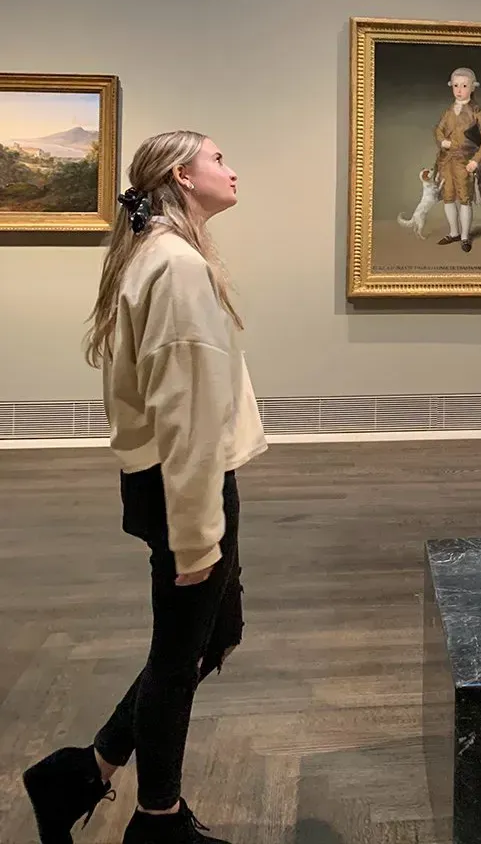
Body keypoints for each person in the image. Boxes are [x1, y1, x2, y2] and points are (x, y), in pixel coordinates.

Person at [21, 130, 268, 844]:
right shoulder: (176, 267)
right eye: (221, 158)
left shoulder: (164, 254)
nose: (232, 168)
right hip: (184, 484)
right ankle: (157, 821)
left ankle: (83, 771)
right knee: (179, 653)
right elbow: (186, 417)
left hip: (179, 479)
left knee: (215, 632)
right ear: (183, 175)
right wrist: (198, 538)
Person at [433, 66, 481, 252]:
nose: (459, 90)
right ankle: (454, 232)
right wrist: (442, 141)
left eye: (464, 85)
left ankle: (465, 236)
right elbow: (438, 130)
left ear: (473, 87)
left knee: (465, 198)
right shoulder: (449, 110)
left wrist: (476, 161)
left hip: (465, 162)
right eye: (456, 85)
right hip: (446, 161)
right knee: (448, 197)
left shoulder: (477, 111)